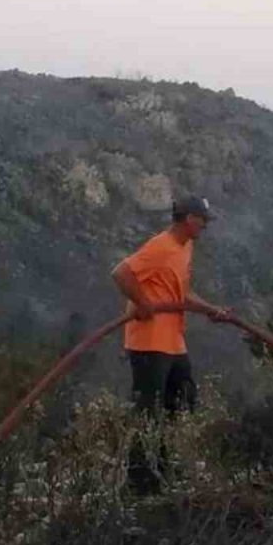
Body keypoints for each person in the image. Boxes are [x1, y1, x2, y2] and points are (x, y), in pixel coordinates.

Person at [111, 195, 228, 490]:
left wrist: (210, 309)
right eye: (202, 220)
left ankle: (163, 466)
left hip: (173, 340)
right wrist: (142, 303)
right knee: (148, 409)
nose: (205, 226)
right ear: (189, 219)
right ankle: (139, 480)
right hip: (149, 342)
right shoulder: (160, 247)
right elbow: (121, 273)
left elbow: (180, 295)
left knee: (183, 398)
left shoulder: (185, 247)